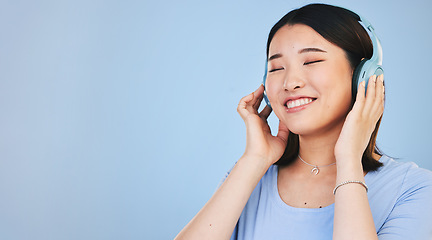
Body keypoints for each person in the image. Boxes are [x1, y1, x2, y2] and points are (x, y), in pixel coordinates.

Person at [175, 3, 432, 240]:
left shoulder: (414, 190)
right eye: (276, 68)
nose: (290, 82)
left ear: (364, 77)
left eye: (311, 61)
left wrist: (349, 160)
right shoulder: (247, 178)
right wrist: (253, 161)